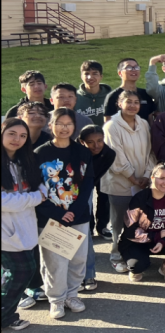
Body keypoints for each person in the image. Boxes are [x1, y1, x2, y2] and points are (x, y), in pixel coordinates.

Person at [35, 108, 94, 320]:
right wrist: (57, 213)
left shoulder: (82, 152)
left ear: (74, 127)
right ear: (50, 125)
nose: (64, 128)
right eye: (59, 123)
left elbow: (88, 183)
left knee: (78, 259)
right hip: (51, 216)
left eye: (68, 124)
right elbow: (35, 187)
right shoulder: (40, 153)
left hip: (78, 215)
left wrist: (75, 210)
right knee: (54, 261)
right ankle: (56, 299)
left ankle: (72, 294)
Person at [101, 90, 155, 272]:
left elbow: (150, 152)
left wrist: (147, 176)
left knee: (139, 220)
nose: (132, 105)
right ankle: (116, 255)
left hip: (142, 182)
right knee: (118, 222)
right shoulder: (111, 126)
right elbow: (116, 157)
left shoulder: (144, 123)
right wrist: (133, 178)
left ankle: (136, 252)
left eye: (136, 102)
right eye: (128, 102)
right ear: (119, 103)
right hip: (120, 184)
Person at [1, 118, 46, 331]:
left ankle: (7, 314)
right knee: (21, 271)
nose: (17, 139)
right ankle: (5, 315)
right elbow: (4, 201)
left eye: (22, 135)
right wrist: (36, 197)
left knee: (20, 271)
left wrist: (40, 192)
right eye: (12, 133)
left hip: (25, 225)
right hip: (5, 228)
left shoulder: (25, 162)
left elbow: (40, 185)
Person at [118, 163, 165, 284]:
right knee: (137, 266)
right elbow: (130, 230)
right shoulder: (139, 198)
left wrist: (163, 241)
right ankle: (137, 264)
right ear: (152, 178)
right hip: (139, 241)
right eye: (162, 178)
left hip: (164, 239)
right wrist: (155, 236)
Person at [77, 125, 116, 290]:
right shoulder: (76, 151)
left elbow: (95, 176)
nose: (96, 145)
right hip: (70, 191)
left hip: (86, 188)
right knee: (77, 234)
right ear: (82, 142)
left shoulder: (109, 154)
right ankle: (75, 275)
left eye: (99, 141)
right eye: (90, 142)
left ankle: (88, 274)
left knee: (84, 234)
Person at [75, 60, 112, 125]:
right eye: (86, 74)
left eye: (95, 74)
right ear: (81, 76)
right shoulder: (74, 97)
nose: (90, 77)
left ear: (101, 76)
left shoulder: (112, 96)